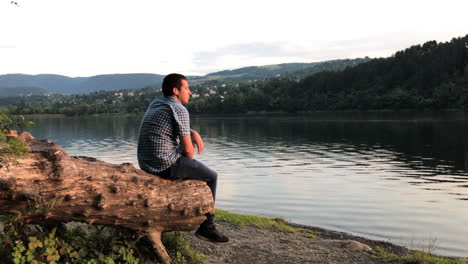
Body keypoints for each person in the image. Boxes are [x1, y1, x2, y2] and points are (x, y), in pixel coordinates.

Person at [137, 73, 229, 243]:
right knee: (212, 176)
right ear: (176, 91)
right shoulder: (180, 109)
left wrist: (192, 132)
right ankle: (207, 227)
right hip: (164, 164)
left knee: (189, 161)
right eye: (187, 88)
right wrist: (191, 141)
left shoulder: (157, 103)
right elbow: (188, 153)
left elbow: (175, 127)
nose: (190, 92)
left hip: (146, 162)